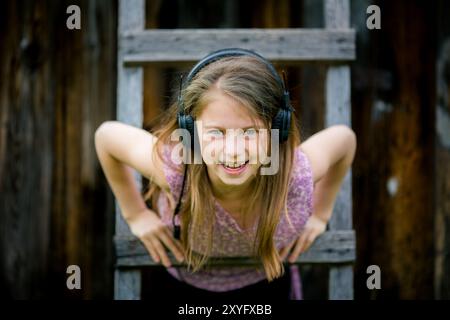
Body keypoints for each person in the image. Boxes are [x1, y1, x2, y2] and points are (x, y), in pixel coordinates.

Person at [94, 48, 356, 300]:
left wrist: (320, 214)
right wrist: (136, 214)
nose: (232, 152)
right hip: (185, 279)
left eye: (250, 132)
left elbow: (344, 140)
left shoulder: (293, 174)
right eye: (216, 132)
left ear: (279, 129)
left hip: (268, 276)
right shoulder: (177, 171)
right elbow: (107, 136)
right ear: (190, 131)